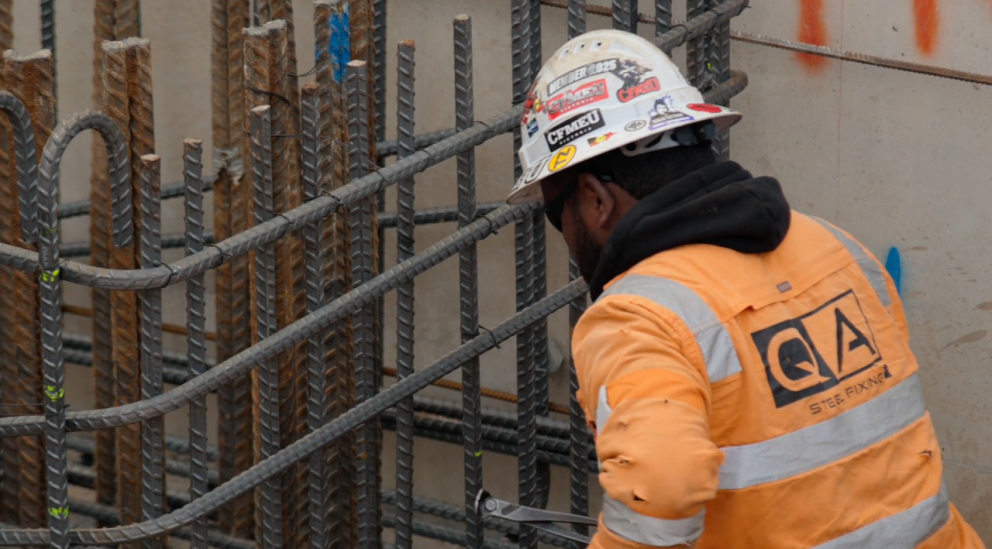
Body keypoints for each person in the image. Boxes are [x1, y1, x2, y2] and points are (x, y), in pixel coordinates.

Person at [507, 29, 986, 549]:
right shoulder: (836, 247)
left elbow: (661, 491)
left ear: (595, 199)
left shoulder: (634, 317)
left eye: (559, 217)